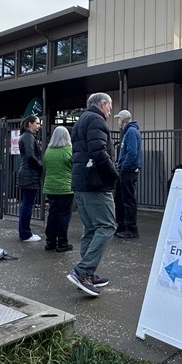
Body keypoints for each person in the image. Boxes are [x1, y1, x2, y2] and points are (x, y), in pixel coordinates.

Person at [66, 92, 119, 297]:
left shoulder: (81, 121)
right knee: (107, 226)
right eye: (109, 105)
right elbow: (99, 151)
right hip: (96, 184)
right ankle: (82, 272)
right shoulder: (96, 119)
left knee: (90, 228)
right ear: (103, 104)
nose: (110, 110)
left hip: (81, 183)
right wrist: (114, 175)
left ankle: (88, 273)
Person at [43, 126, 74, 252]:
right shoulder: (69, 150)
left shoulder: (48, 151)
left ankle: (50, 242)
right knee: (64, 216)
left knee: (52, 214)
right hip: (65, 188)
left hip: (50, 187)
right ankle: (62, 243)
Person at [113, 109, 142, 239]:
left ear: (122, 120)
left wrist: (123, 167)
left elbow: (132, 152)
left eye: (118, 119)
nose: (118, 121)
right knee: (120, 198)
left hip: (128, 171)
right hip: (127, 170)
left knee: (127, 199)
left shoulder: (130, 132)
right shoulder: (130, 131)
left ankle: (130, 228)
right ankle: (123, 225)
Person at [17, 115, 43, 243]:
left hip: (27, 173)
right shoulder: (28, 137)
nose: (39, 126)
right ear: (29, 124)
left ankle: (24, 232)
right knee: (27, 204)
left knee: (26, 204)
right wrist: (40, 167)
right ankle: (25, 233)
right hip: (30, 173)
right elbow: (30, 156)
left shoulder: (26, 136)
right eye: (37, 123)